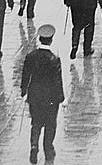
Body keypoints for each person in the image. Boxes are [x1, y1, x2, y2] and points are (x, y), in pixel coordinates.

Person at [20, 24, 65, 165]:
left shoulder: (31, 56)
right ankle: (48, 149)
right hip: (51, 98)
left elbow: (25, 75)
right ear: (50, 40)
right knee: (50, 124)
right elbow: (58, 81)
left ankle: (34, 146)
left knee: (36, 122)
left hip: (34, 96)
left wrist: (24, 92)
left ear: (39, 39)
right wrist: (61, 97)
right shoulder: (54, 59)